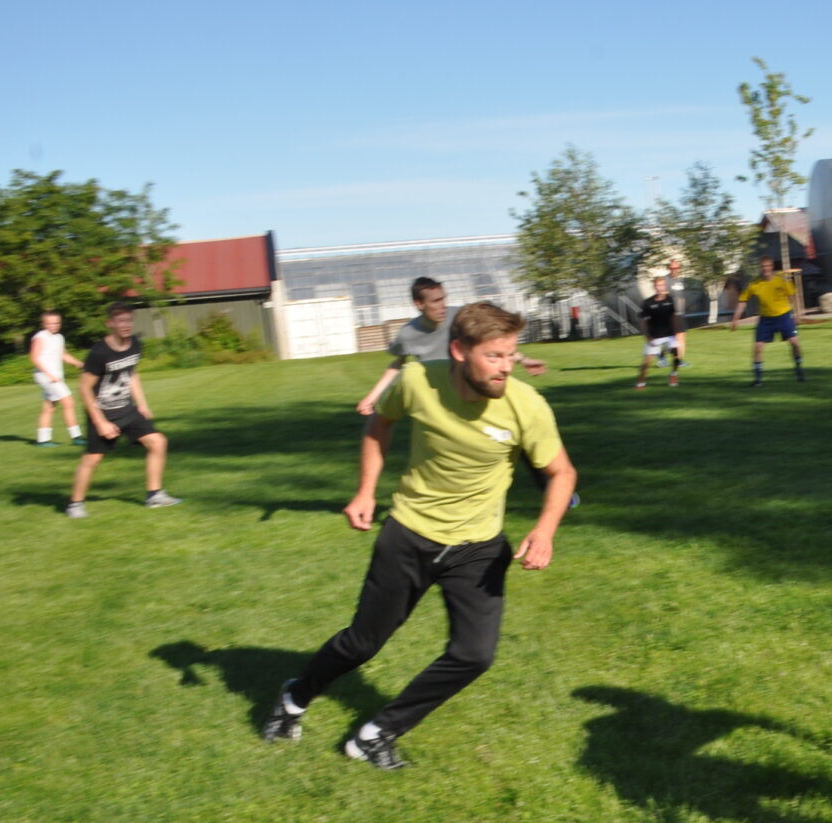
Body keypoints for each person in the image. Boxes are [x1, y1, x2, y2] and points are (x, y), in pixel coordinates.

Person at [262, 302, 578, 770]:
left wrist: (545, 530)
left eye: (511, 355)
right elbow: (379, 426)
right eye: (494, 356)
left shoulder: (526, 406)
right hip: (409, 535)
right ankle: (294, 698)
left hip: (478, 548)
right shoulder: (416, 381)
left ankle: (376, 734)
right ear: (458, 351)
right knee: (362, 644)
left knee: (474, 655)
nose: (506, 368)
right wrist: (366, 490)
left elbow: (561, 471)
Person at [355, 277, 546, 416]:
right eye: (436, 301)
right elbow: (398, 365)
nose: (443, 305)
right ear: (419, 304)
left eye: (444, 299)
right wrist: (372, 398)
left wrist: (523, 360)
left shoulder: (460, 317)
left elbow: (493, 343)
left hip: (475, 385)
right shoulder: (407, 334)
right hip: (440, 401)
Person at [65, 304, 180, 518]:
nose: (126, 325)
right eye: (121, 321)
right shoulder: (99, 353)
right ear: (110, 324)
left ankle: (154, 495)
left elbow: (132, 374)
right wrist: (100, 422)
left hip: (127, 409)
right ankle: (75, 504)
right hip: (102, 412)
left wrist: (142, 404)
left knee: (158, 442)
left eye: (129, 320)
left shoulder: (135, 344)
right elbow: (84, 388)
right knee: (93, 459)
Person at [732, 256, 805, 386]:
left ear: (771, 267)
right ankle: (758, 379)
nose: (765, 269)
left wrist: (798, 314)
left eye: (768, 266)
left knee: (794, 343)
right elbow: (743, 300)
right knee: (757, 347)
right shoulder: (755, 284)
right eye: (763, 267)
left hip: (784, 316)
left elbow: (793, 296)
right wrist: (735, 318)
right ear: (761, 268)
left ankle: (799, 369)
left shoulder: (781, 281)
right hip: (766, 319)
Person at [30, 310, 84, 446]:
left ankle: (43, 440)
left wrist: (79, 363)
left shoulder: (59, 337)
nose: (54, 325)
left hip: (55, 377)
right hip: (45, 376)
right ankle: (76, 437)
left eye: (57, 322)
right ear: (44, 324)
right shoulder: (40, 337)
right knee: (69, 403)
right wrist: (49, 375)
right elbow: (34, 358)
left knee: (49, 408)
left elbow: (63, 355)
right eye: (50, 323)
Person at [635, 275, 683, 389]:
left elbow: (674, 316)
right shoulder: (648, 302)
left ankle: (673, 375)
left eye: (661, 285)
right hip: (654, 335)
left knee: (677, 357)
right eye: (657, 285)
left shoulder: (669, 299)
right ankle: (641, 382)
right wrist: (647, 336)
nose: (659, 288)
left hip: (670, 334)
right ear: (654, 287)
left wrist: (677, 331)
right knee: (647, 363)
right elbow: (643, 321)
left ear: (664, 286)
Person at [666, 258, 691, 363]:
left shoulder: (680, 281)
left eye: (676, 268)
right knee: (672, 338)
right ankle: (663, 354)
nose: (674, 270)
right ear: (669, 268)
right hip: (671, 314)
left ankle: (680, 360)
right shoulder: (666, 280)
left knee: (681, 337)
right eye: (672, 268)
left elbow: (682, 296)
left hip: (681, 313)